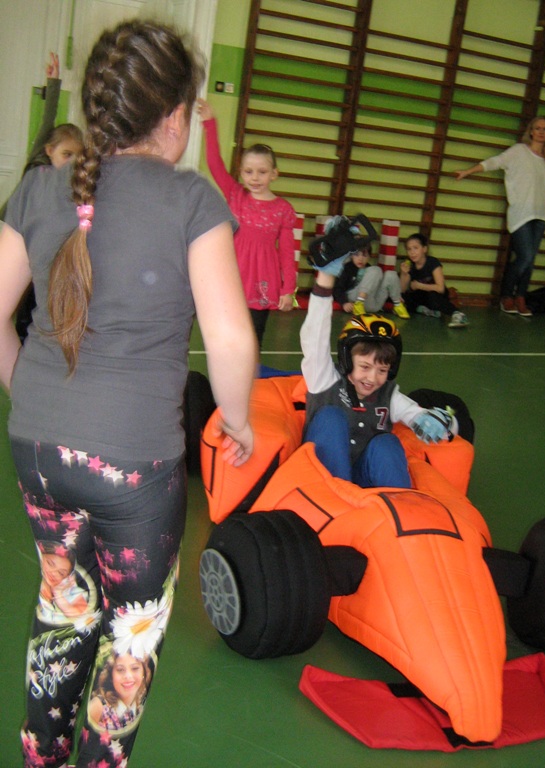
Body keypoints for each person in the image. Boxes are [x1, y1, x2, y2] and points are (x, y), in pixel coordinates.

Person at [0, 19, 257, 768]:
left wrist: (25, 388)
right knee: (130, 636)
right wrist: (237, 420)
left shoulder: (40, 187)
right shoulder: (191, 200)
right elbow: (232, 340)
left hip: (39, 448)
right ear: (175, 117)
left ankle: (42, 757)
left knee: (63, 604)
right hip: (135, 467)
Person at [301, 220, 456, 489]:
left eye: (382, 370)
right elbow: (314, 335)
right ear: (347, 361)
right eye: (364, 367)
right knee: (331, 418)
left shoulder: (388, 396)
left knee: (387, 442)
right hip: (322, 480)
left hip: (362, 475)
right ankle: (339, 500)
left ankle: (398, 503)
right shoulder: (324, 379)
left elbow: (439, 422)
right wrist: (325, 278)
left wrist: (441, 421)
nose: (372, 378)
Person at [197, 98, 298, 348]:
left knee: (253, 337)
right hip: (232, 273)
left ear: (274, 174)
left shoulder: (283, 209)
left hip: (263, 280)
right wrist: (210, 124)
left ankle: (249, 369)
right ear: (241, 172)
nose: (255, 178)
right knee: (227, 334)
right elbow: (214, 164)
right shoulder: (235, 195)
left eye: (262, 172)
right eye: (248, 171)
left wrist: (288, 289)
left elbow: (287, 252)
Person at [0, 52, 83, 341]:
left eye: (77, 156)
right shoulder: (40, 158)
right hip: (15, 230)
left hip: (38, 243)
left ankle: (29, 333)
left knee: (34, 294)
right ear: (49, 150)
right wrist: (54, 82)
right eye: (66, 154)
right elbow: (48, 117)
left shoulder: (70, 184)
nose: (71, 162)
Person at [454, 116, 545, 317]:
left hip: (541, 215)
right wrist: (469, 171)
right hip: (521, 214)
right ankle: (507, 296)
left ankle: (521, 297)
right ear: (531, 131)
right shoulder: (519, 151)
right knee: (525, 257)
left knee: (530, 260)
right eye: (538, 128)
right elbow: (495, 162)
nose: (541, 132)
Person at [400, 232, 469, 328]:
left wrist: (419, 285)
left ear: (424, 249)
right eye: (409, 249)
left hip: (436, 295)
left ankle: (458, 314)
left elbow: (440, 288)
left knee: (433, 297)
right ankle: (428, 311)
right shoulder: (409, 265)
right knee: (405, 297)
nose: (412, 252)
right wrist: (404, 273)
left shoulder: (433, 262)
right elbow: (402, 290)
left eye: (415, 248)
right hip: (421, 296)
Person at [334, 243, 410, 318]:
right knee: (376, 269)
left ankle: (398, 305)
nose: (360, 259)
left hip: (372, 304)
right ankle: (359, 303)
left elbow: (380, 290)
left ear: (369, 257)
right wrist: (344, 303)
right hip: (354, 300)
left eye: (364, 255)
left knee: (390, 274)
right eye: (356, 255)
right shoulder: (347, 268)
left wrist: (395, 296)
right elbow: (338, 288)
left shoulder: (371, 270)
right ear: (351, 256)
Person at [88, 652, 152, 733]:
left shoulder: (140, 708)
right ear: (111, 675)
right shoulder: (99, 706)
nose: (128, 676)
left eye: (135, 668)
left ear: (144, 674)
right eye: (120, 670)